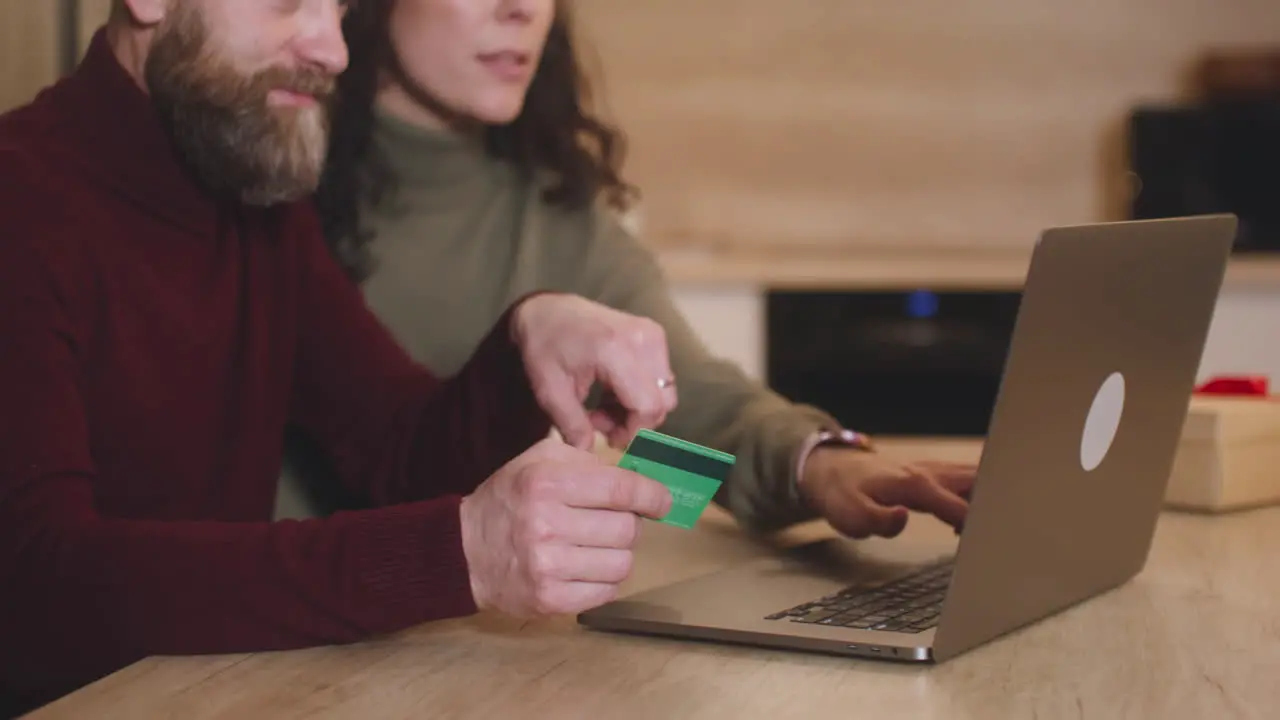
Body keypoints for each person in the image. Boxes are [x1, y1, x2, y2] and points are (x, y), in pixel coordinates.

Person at [0, 0, 684, 713]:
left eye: (341, 6)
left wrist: (526, 340)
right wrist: (458, 553)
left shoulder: (250, 197)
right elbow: (34, 591)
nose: (334, 50)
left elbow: (397, 449)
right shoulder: (19, 201)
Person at [291, 0, 978, 538]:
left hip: (455, 640)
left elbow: (672, 423)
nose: (523, 8)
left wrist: (819, 466)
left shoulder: (555, 208)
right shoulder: (267, 187)